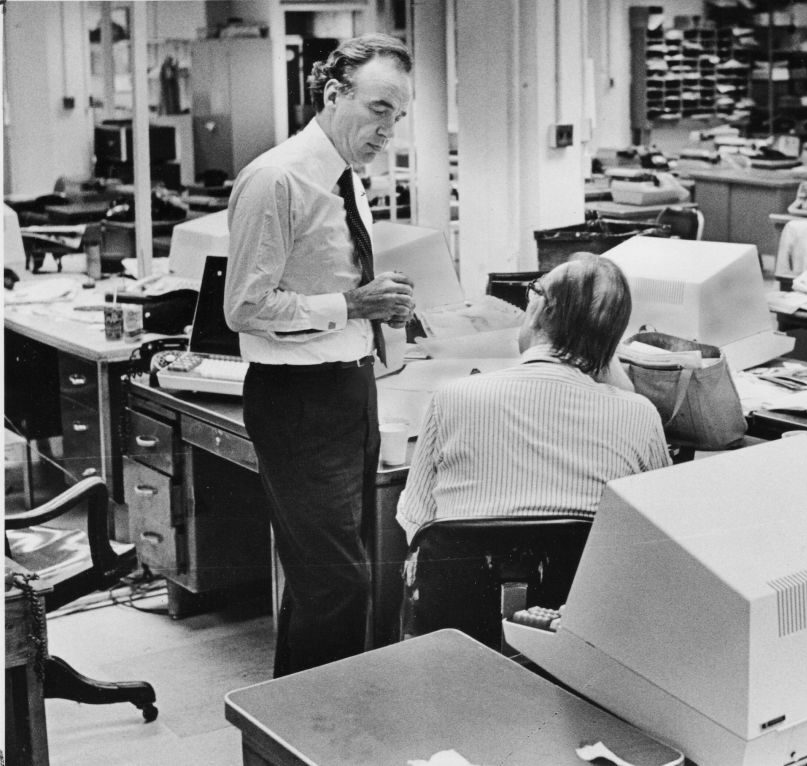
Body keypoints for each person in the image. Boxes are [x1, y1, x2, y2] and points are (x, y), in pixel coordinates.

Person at [224, 33, 415, 677]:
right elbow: (244, 308)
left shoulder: (347, 180)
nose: (389, 129)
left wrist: (374, 311)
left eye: (400, 115)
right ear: (334, 96)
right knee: (336, 587)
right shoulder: (277, 178)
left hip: (349, 391)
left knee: (339, 581)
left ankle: (312, 729)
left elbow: (328, 286)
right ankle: (304, 740)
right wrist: (351, 307)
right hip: (299, 402)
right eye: (381, 109)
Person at [395, 254, 672, 544]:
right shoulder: (640, 415)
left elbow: (417, 523)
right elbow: (662, 532)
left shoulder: (451, 398)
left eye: (534, 291)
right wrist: (600, 347)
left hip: (468, 586)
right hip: (583, 588)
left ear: (539, 309)